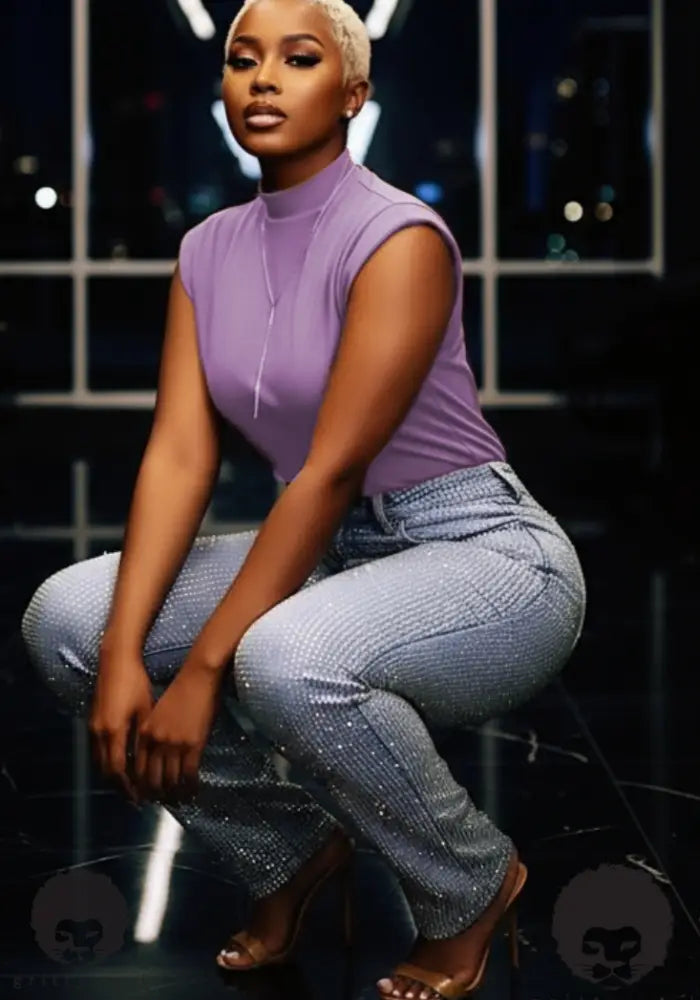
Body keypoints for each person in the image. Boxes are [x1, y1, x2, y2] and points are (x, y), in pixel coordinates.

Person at [20, 0, 587, 997]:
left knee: (279, 658)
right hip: (329, 549)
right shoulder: (206, 252)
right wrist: (121, 655)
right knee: (67, 619)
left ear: (353, 93)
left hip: (482, 550)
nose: (265, 78)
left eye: (299, 58)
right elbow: (179, 457)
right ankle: (286, 850)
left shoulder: (398, 236)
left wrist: (197, 675)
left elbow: (330, 471)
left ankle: (468, 882)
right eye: (244, 59)